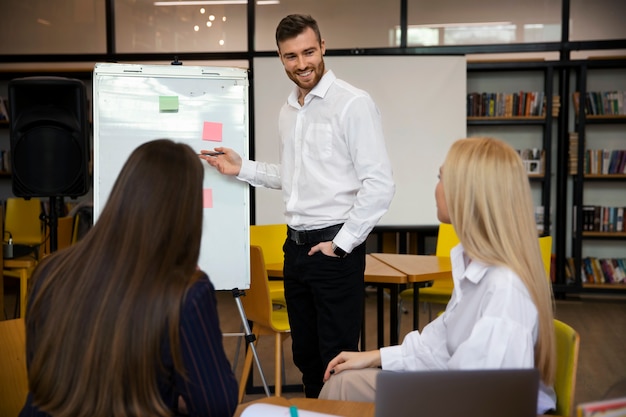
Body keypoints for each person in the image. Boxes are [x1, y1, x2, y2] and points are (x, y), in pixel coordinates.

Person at [201, 14, 395, 398]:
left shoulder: (352, 103)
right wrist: (243, 168)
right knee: (305, 358)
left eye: (308, 52)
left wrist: (341, 244)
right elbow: (292, 176)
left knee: (337, 363)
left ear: (323, 47)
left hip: (334, 248)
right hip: (296, 248)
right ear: (280, 57)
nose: (302, 64)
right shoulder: (288, 111)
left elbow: (380, 184)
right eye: (291, 56)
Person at [319, 137, 557, 415]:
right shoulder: (474, 268)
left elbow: (488, 400)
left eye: (440, 178)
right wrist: (373, 357)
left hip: (463, 403)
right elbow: (439, 345)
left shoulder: (504, 291)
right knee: (343, 383)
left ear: (466, 193)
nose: (436, 188)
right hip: (452, 392)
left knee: (344, 391)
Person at [20, 139, 239, 417]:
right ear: (186, 212)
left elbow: (41, 378)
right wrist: (173, 399)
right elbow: (216, 406)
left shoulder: (50, 271)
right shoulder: (187, 292)